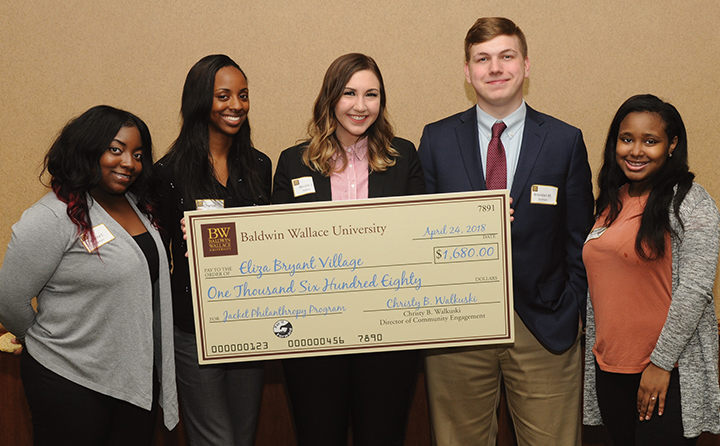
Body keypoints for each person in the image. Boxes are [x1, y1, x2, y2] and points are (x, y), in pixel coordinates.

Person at [418, 17, 594, 445]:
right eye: (482, 59)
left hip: (544, 328)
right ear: (467, 71)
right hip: (458, 328)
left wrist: (572, 310)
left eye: (506, 56)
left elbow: (579, 239)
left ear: (526, 65)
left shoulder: (563, 140)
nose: (495, 68)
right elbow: (419, 234)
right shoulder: (437, 139)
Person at [0, 105, 178, 445]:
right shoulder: (52, 216)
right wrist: (41, 338)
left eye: (138, 154)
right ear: (87, 148)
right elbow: (9, 299)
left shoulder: (140, 207)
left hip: (134, 382)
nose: (129, 162)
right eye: (116, 149)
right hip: (69, 379)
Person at [272, 52, 425, 446]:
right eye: (349, 93)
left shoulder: (403, 156)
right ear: (330, 99)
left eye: (371, 94)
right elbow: (275, 247)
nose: (360, 106)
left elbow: (421, 239)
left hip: (387, 338)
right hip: (315, 339)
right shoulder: (294, 163)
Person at [583, 94, 720, 445]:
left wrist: (660, 364)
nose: (636, 151)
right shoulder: (610, 202)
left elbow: (696, 289)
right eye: (626, 139)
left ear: (672, 145)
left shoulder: (690, 201)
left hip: (664, 374)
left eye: (650, 141)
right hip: (610, 370)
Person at [154, 54, 271, 446]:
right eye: (223, 95)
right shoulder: (167, 174)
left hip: (250, 323)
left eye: (243, 95)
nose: (235, 105)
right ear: (200, 100)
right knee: (215, 440)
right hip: (194, 328)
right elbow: (159, 255)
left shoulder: (259, 165)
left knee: (242, 436)